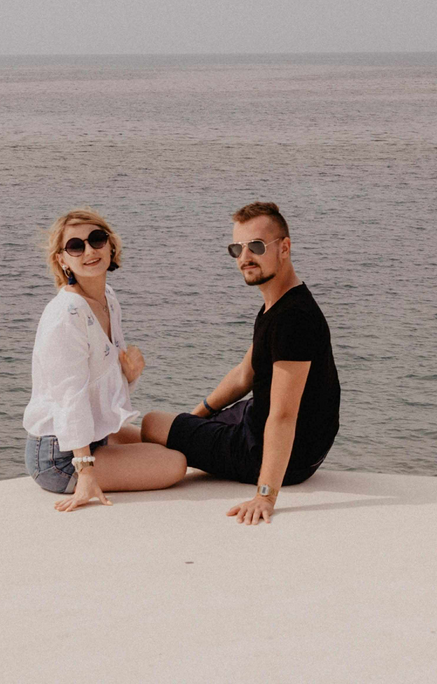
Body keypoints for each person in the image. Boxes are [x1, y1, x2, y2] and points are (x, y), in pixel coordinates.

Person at [141, 202, 340, 525]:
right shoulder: (279, 303)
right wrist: (195, 418)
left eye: (257, 246)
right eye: (237, 248)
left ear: (284, 248)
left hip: (278, 455)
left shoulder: (293, 320)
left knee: (152, 424)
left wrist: (265, 495)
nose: (245, 257)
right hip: (269, 429)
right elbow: (243, 375)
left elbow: (284, 415)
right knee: (181, 425)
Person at [23, 209, 186, 510]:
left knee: (171, 439)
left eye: (97, 239)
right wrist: (86, 473)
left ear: (110, 245)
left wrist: (129, 375)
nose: (89, 251)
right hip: (60, 457)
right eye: (76, 246)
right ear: (62, 259)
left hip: (94, 434)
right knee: (175, 463)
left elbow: (102, 378)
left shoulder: (107, 297)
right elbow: (69, 397)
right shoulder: (66, 314)